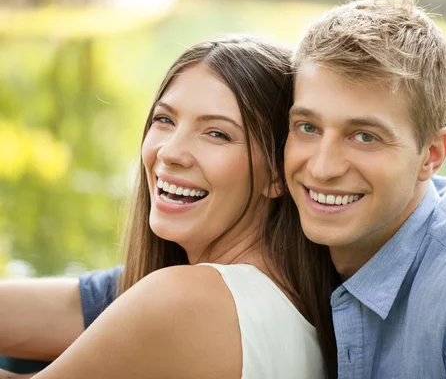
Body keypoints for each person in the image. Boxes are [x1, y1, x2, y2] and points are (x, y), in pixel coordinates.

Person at [1, 0, 446, 379]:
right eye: (307, 127)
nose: (322, 165)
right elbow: (100, 302)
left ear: (431, 155)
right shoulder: (312, 245)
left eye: (365, 136)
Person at [0, 35, 337, 378]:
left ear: (277, 175)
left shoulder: (189, 299)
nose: (170, 152)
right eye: (165, 120)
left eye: (217, 134)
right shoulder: (291, 297)